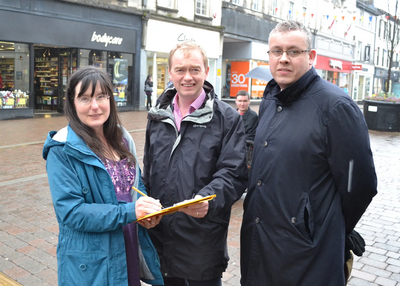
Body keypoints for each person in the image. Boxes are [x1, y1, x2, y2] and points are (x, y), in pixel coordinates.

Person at [240, 20, 377, 286]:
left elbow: (359, 186)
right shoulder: (269, 101)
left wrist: (324, 227)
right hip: (260, 245)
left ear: (311, 56)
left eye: (293, 51)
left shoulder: (336, 107)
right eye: (276, 51)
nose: (283, 59)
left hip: (306, 255)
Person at [42, 66, 164, 286]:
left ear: (110, 99)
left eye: (101, 96)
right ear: (72, 102)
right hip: (92, 262)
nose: (95, 106)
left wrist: (145, 210)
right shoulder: (61, 149)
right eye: (85, 98)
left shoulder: (122, 137)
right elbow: (71, 212)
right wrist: (130, 211)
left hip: (127, 246)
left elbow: (135, 184)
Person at [143, 41, 248, 286]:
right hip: (160, 242)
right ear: (170, 73)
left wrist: (207, 200)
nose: (187, 77)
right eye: (180, 70)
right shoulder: (157, 116)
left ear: (206, 71)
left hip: (201, 243)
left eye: (195, 69)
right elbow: (150, 171)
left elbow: (234, 174)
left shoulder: (227, 118)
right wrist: (145, 208)